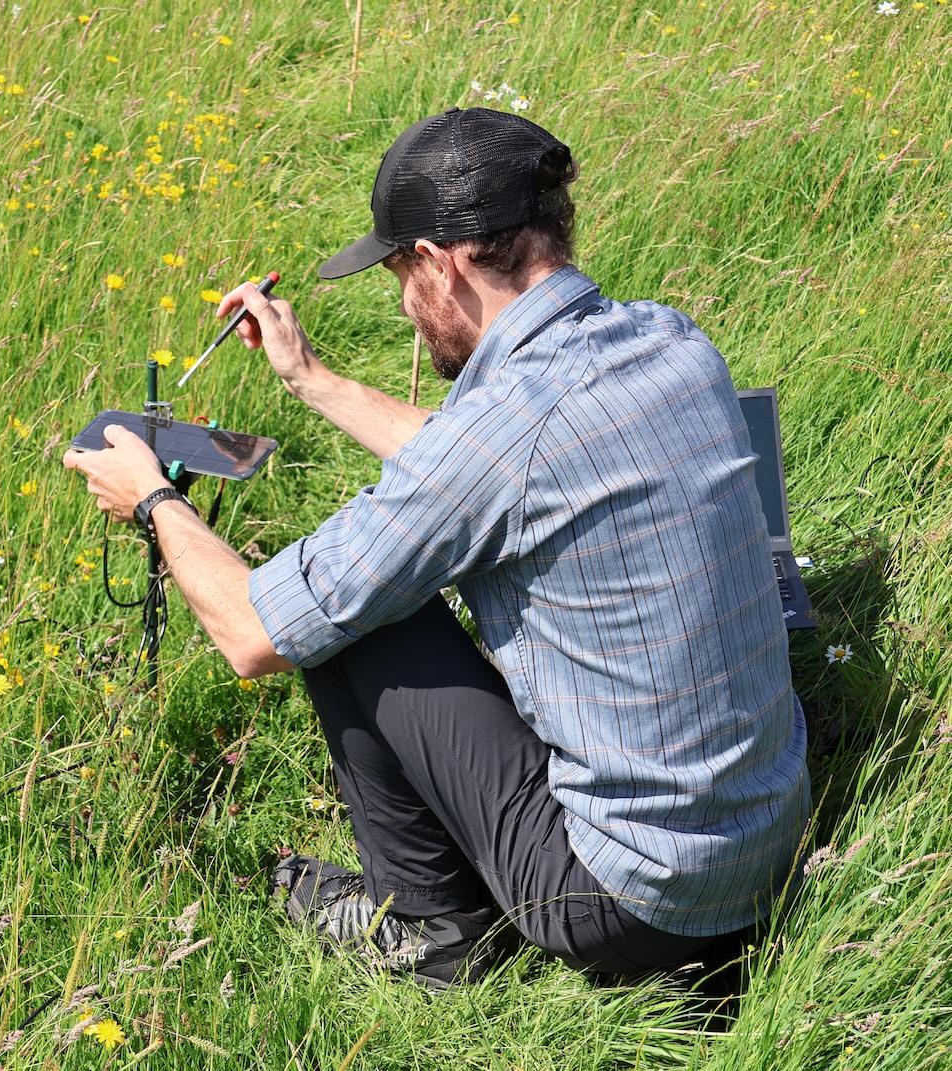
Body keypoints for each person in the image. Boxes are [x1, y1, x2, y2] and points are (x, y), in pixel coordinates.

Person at [61, 106, 810, 990]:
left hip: (626, 900)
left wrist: (152, 498)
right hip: (771, 838)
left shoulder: (506, 433)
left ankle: (432, 935)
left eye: (397, 277)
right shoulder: (669, 340)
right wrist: (311, 379)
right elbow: (490, 462)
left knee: (354, 614)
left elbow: (252, 630)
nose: (407, 311)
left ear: (440, 262)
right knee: (364, 586)